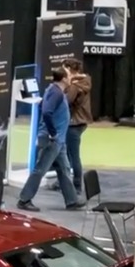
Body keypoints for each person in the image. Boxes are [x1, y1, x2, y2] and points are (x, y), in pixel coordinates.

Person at [17, 68, 84, 211]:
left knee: (65, 169)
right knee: (40, 169)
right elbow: (47, 112)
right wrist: (52, 133)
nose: (72, 77)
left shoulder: (54, 91)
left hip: (58, 140)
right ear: (64, 79)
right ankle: (24, 199)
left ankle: (71, 200)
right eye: (69, 75)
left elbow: (44, 107)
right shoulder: (56, 93)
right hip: (52, 140)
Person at [62, 58, 92, 194]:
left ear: (70, 70)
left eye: (64, 69)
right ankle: (64, 181)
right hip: (80, 122)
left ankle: (77, 186)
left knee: (73, 156)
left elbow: (66, 101)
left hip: (74, 123)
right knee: (68, 154)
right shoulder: (85, 80)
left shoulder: (75, 85)